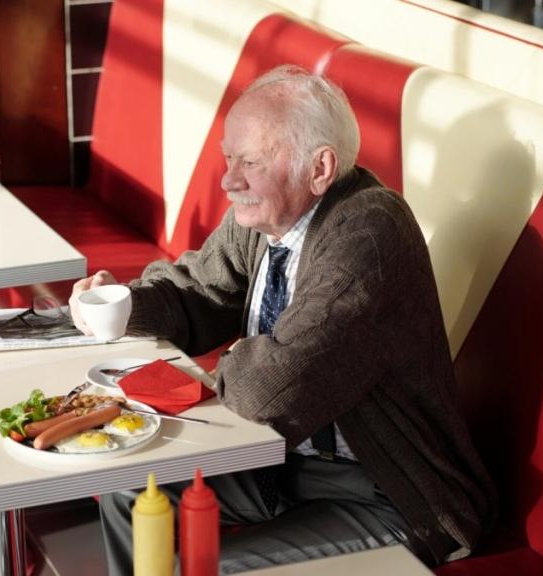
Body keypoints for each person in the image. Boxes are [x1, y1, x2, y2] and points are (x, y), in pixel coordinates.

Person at [69, 65, 495, 574]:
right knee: (133, 493)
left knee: (202, 567)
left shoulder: (369, 235)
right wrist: (122, 304)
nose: (229, 180)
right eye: (229, 158)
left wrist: (229, 361)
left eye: (250, 161)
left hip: (388, 491)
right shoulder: (266, 215)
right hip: (281, 462)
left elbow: (270, 391)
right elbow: (200, 290)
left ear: (320, 168)